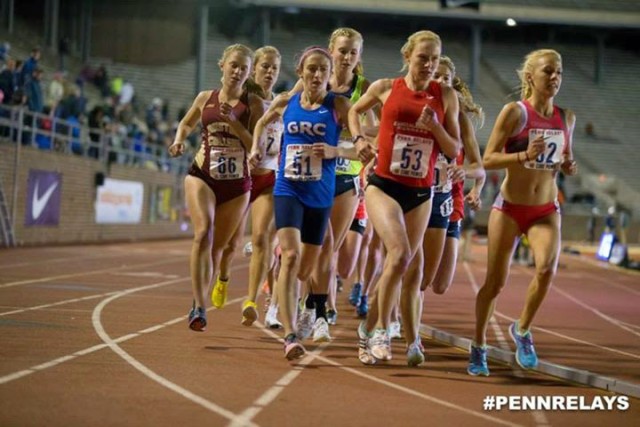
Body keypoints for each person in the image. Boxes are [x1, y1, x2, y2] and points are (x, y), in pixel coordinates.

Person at [349, 30, 460, 366]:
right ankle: (382, 328)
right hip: (383, 184)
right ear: (408, 56)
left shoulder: (447, 96)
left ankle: (366, 334)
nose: (429, 65)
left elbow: (454, 150)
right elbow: (354, 111)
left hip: (421, 192)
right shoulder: (386, 88)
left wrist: (436, 128)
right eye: (423, 57)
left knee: (404, 264)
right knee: (397, 254)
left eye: (435, 58)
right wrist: (357, 141)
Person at [468, 49, 578, 376]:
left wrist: (570, 166)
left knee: (546, 269)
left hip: (545, 208)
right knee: (495, 283)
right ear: (530, 76)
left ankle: (523, 330)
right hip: (510, 208)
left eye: (559, 72)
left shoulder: (565, 117)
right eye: (548, 72)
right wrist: (522, 156)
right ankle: (478, 345)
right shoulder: (515, 113)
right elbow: (486, 159)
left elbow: (565, 159)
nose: (555, 78)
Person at [251, 46, 356, 360]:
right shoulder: (286, 102)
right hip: (288, 189)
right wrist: (257, 149)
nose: (317, 75)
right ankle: (290, 334)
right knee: (292, 256)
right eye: (311, 69)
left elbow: (368, 143)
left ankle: (306, 305)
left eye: (323, 70)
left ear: (329, 75)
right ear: (300, 72)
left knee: (306, 268)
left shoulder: (338, 105)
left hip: (321, 196)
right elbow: (262, 124)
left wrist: (336, 151)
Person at [168, 44, 264, 332]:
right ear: (222, 65)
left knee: (219, 248)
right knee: (202, 233)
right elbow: (186, 123)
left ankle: (212, 285)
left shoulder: (253, 104)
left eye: (243, 68)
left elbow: (254, 147)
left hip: (237, 185)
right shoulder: (205, 97)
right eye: (233, 65)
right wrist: (179, 139)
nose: (237, 71)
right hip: (203, 175)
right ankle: (198, 306)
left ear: (248, 74)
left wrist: (234, 121)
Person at [295, 27, 375, 340]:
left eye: (353, 52)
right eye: (342, 51)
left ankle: (316, 309)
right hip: (312, 172)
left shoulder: (363, 88)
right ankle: (313, 307)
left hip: (347, 173)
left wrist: (350, 134)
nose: (347, 57)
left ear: (359, 57)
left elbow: (378, 130)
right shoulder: (315, 79)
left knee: (331, 250)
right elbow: (291, 110)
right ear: (331, 49)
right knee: (312, 247)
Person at [218, 46, 284, 328]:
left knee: (261, 240)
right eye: (265, 66)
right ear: (253, 69)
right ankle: (222, 276)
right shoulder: (244, 100)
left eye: (274, 68)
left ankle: (250, 301)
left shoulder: (282, 101)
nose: (269, 72)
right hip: (242, 177)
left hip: (270, 178)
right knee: (230, 245)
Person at [428, 56, 485, 295]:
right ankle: (393, 319)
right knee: (411, 268)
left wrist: (474, 186)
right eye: (436, 76)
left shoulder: (461, 120)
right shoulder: (415, 111)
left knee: (440, 285)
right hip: (417, 196)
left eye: (446, 78)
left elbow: (479, 169)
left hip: (451, 202)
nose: (440, 81)